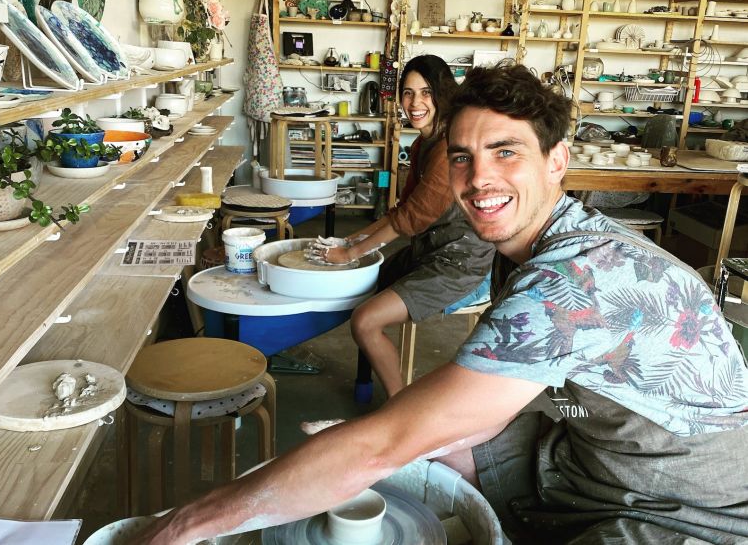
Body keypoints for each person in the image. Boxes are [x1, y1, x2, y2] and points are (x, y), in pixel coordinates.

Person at [135, 64, 748, 545]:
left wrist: (178, 527)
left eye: (506, 152)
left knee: (382, 454)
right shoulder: (536, 248)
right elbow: (486, 403)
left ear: (557, 161)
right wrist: (391, 441)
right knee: (415, 453)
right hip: (590, 449)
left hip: (688, 506)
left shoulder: (577, 280)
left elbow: (383, 447)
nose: (479, 179)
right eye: (463, 157)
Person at [317, 54, 495, 399]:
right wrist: (350, 238)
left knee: (366, 320)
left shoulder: (449, 149)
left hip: (463, 263)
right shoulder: (422, 143)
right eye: (408, 93)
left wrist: (352, 251)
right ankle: (365, 380)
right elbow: (404, 209)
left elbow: (411, 219)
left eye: (426, 93)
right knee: (366, 284)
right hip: (432, 249)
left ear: (444, 95)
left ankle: (397, 406)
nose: (415, 103)